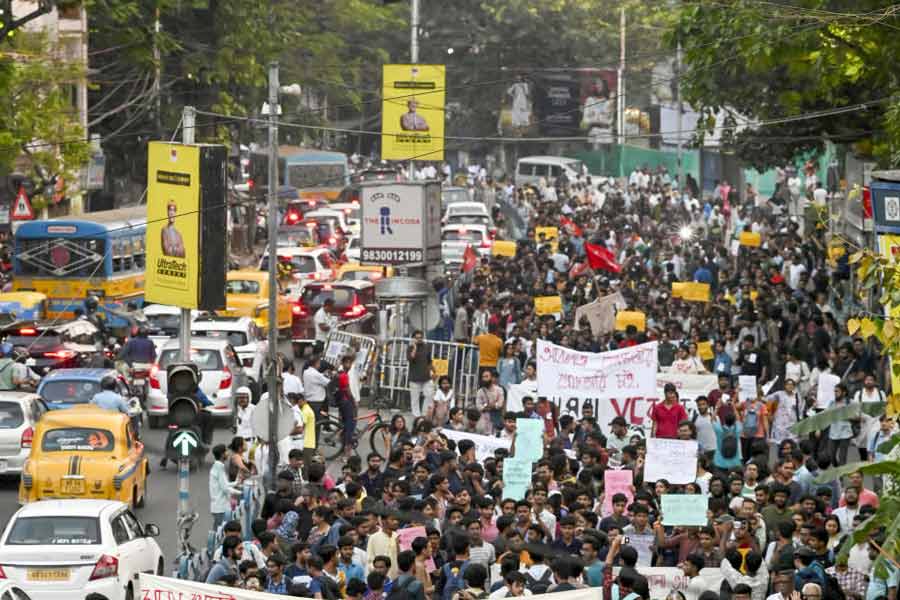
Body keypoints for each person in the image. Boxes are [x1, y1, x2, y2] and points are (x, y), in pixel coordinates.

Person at [407, 330, 433, 418]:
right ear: (413, 339)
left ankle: (424, 414)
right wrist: (414, 348)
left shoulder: (427, 347)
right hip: (414, 377)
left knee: (429, 395)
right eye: (417, 338)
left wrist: (433, 371)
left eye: (420, 337)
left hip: (426, 377)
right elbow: (410, 359)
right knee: (415, 399)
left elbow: (429, 361)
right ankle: (417, 416)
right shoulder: (410, 347)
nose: (419, 339)